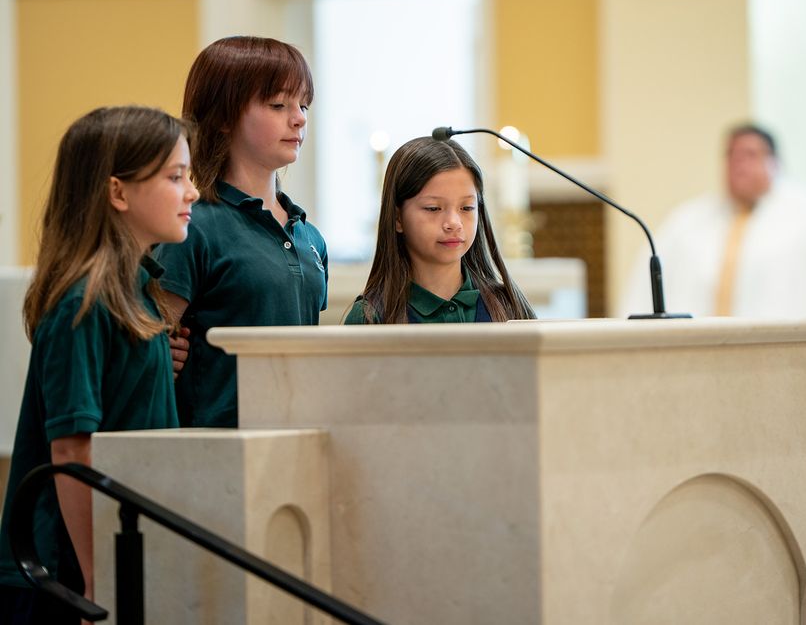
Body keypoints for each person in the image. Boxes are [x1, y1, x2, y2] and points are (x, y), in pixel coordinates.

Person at [0, 106, 197, 623]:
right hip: (63, 575)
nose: (193, 192)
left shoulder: (142, 292)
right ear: (117, 192)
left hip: (118, 550)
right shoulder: (83, 303)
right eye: (176, 177)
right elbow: (72, 449)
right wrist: (97, 576)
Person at [620, 123, 806, 409]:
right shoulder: (686, 223)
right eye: (731, 155)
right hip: (699, 385)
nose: (738, 164)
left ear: (775, 162)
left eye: (750, 155)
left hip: (788, 387)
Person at [154, 36, 329, 428]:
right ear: (223, 115)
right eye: (278, 104)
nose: (299, 118)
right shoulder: (191, 225)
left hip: (298, 438)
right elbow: (153, 350)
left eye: (303, 105)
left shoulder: (310, 238)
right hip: (215, 450)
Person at [344, 136, 535, 324]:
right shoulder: (370, 316)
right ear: (398, 218)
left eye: (467, 208)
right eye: (433, 208)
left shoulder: (508, 306)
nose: (454, 223)